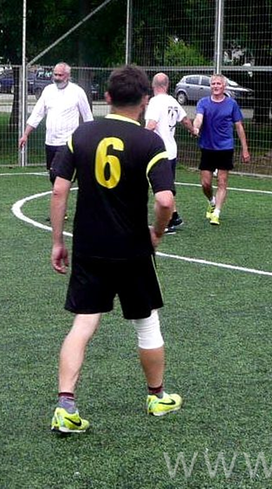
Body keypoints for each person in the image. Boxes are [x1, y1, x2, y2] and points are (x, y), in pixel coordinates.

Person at [48, 65, 182, 433]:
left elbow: (59, 190)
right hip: (133, 249)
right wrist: (158, 232)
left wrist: (58, 241)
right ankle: (156, 396)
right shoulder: (149, 142)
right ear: (145, 100)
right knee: (146, 322)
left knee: (83, 323)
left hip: (89, 246)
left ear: (107, 97)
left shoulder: (82, 134)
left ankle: (65, 404)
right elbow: (166, 200)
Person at [18, 62, 94, 184]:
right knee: (53, 176)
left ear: (67, 76)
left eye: (60, 75)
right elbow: (37, 114)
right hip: (50, 141)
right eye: (55, 74)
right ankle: (62, 192)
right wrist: (25, 135)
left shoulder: (77, 92)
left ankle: (63, 189)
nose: (57, 78)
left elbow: (87, 117)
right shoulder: (48, 91)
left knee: (57, 174)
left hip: (67, 142)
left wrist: (90, 139)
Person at [192, 74, 250, 226]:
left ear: (224, 86)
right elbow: (198, 118)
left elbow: (239, 126)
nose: (215, 86)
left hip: (225, 147)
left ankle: (216, 213)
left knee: (222, 181)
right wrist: (196, 128)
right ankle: (211, 202)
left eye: (218, 83)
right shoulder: (203, 102)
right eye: (213, 84)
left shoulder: (232, 104)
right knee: (205, 184)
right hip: (207, 147)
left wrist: (245, 149)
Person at [145, 72, 198, 234]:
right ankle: (174, 216)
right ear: (167, 85)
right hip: (171, 151)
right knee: (167, 185)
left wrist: (139, 140)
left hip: (158, 152)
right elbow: (185, 120)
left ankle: (167, 223)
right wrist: (193, 130)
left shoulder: (155, 102)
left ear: (153, 85)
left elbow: (151, 125)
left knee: (160, 188)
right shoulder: (172, 101)